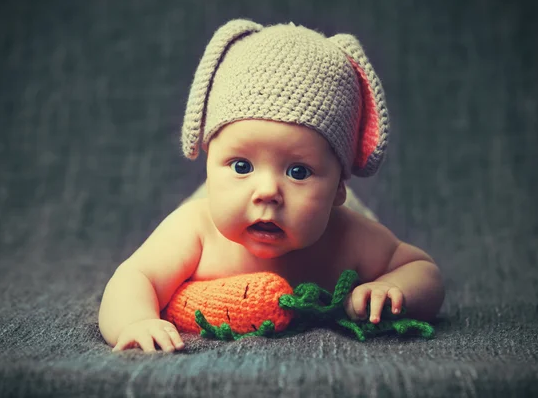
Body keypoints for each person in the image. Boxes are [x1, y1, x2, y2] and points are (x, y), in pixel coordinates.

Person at [98, 19, 445, 353]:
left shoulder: (347, 236)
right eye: (241, 166)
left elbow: (423, 270)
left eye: (297, 171)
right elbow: (134, 277)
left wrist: (392, 288)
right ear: (208, 166)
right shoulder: (195, 229)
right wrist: (135, 321)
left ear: (338, 187)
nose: (267, 192)